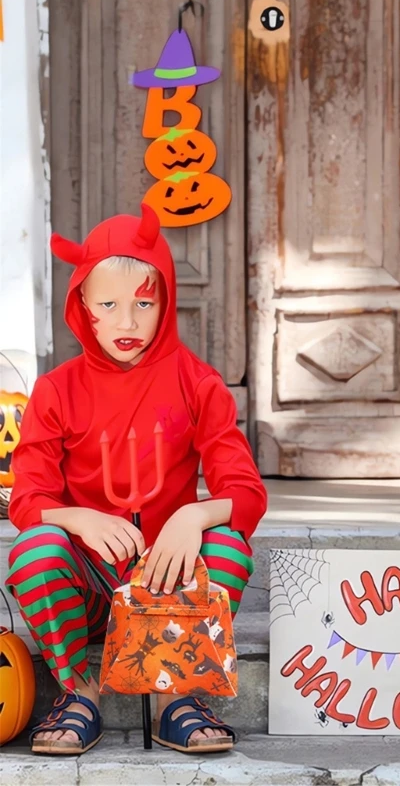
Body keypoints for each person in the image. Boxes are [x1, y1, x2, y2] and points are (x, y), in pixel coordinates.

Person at [4, 204, 267, 755]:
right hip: (90, 588)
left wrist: (193, 515)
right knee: (34, 549)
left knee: (229, 546)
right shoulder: (55, 391)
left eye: (143, 303)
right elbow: (27, 499)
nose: (126, 322)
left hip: (166, 583)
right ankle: (80, 692)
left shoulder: (199, 383)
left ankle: (177, 697)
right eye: (108, 304)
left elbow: (245, 492)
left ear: (166, 300)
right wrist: (77, 516)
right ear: (82, 306)